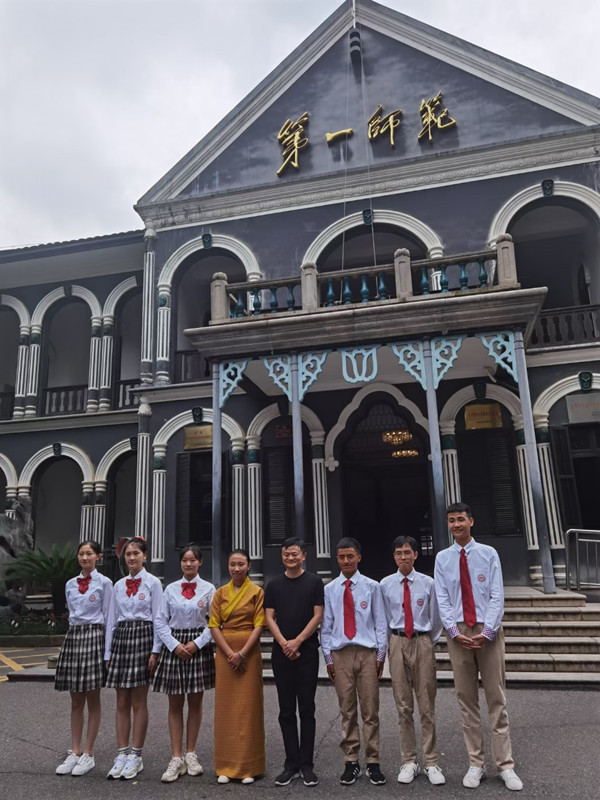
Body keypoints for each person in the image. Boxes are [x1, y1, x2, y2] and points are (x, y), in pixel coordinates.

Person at [434, 503, 523, 792]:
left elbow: (497, 594)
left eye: (461, 519)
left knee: (496, 697)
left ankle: (505, 764)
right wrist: (453, 631)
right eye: (451, 520)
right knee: (466, 699)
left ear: (471, 521)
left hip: (488, 630)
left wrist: (488, 631)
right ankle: (476, 763)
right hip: (459, 632)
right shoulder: (443, 558)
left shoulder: (488, 553)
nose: (456, 524)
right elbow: (442, 597)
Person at [321, 537, 388, 787]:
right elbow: (326, 627)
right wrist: (328, 658)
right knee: (347, 710)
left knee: (370, 710)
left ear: (359, 557)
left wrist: (380, 655)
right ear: (337, 559)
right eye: (341, 557)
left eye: (350, 556)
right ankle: (351, 760)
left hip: (367, 652)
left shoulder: (372, 587)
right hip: (341, 654)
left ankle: (373, 761)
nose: (346, 561)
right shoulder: (330, 589)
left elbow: (380, 623)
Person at [380, 536, 445, 786]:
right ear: (394, 556)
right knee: (403, 705)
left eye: (407, 552)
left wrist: (427, 642)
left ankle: (431, 761)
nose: (403, 557)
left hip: (422, 640)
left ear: (416, 554)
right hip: (397, 641)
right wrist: (388, 646)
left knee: (426, 703)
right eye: (398, 553)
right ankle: (409, 760)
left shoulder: (428, 583)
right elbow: (383, 618)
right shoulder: (385, 584)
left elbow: (436, 618)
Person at [264, 537, 324, 787]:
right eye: (286, 554)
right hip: (282, 654)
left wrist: (297, 642)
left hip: (306, 652)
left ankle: (306, 765)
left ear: (303, 556)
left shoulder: (314, 582)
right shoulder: (273, 584)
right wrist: (284, 644)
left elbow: (318, 615)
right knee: (286, 710)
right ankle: (291, 763)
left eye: (294, 554)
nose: (290, 558)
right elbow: (269, 617)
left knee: (307, 709)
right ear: (282, 556)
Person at [153, 543, 215, 783]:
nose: (188, 564)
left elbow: (214, 621)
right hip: (175, 646)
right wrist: (174, 645)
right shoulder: (170, 589)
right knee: (175, 704)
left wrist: (197, 643)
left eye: (193, 560)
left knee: (196, 703)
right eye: (185, 560)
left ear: (200, 562)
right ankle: (176, 757)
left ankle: (191, 753)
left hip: (198, 647)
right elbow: (160, 621)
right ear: (180, 563)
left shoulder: (209, 588)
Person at [104, 536, 163, 780]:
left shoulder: (153, 583)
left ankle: (136, 755)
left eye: (136, 553)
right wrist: (108, 652)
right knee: (121, 700)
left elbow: (159, 618)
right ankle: (122, 753)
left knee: (139, 700)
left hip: (143, 637)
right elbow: (111, 620)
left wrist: (155, 650)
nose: (131, 558)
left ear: (144, 556)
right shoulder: (118, 585)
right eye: (128, 554)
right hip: (122, 638)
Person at [54, 540, 113, 776]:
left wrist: (107, 652)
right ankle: (75, 751)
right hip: (74, 636)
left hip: (94, 636)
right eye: (81, 554)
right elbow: (71, 614)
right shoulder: (70, 584)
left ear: (98, 556)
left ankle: (89, 753)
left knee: (92, 697)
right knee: (75, 699)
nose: (85, 558)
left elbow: (109, 618)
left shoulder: (105, 583)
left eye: (89, 554)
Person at [208, 548, 265, 784]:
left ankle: (249, 767)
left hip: (248, 651)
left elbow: (259, 624)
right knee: (226, 708)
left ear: (249, 566)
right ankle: (225, 766)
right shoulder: (220, 593)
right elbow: (214, 625)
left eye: (241, 564)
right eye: (233, 564)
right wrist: (230, 653)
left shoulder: (257, 592)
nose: (236, 568)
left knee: (249, 707)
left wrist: (242, 653)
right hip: (225, 653)